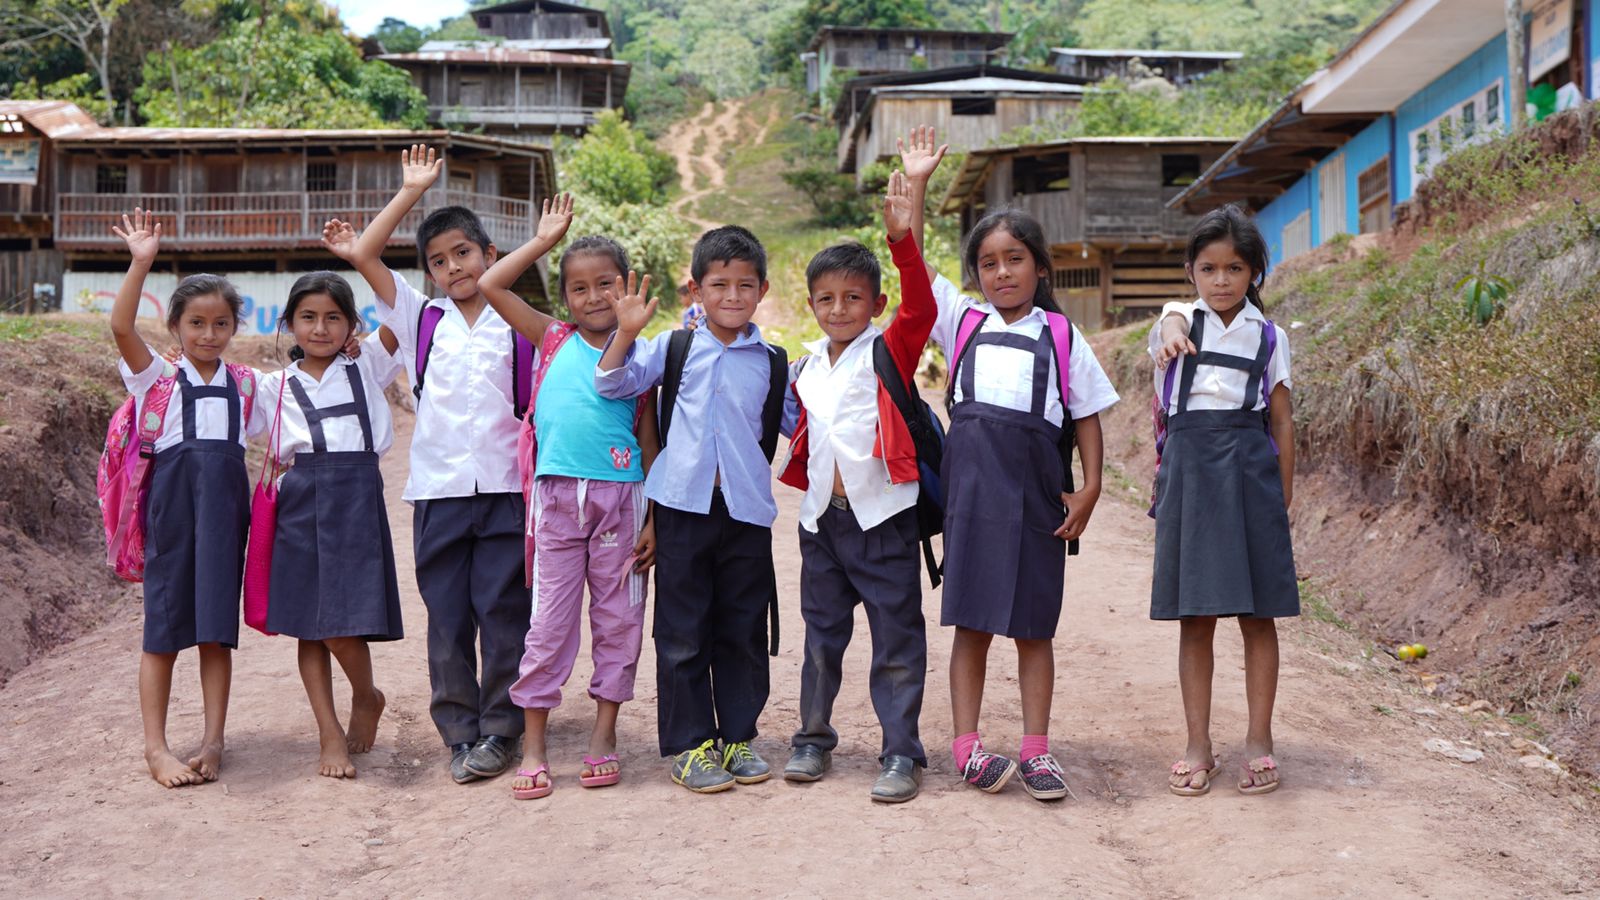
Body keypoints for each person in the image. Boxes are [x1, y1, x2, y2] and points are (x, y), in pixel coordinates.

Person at [320, 145, 563, 784]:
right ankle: (460, 732)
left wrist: (537, 245)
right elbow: (365, 254)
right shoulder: (419, 317)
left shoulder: (520, 323)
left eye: (464, 252)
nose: (453, 266)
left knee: (505, 611)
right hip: (439, 493)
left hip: (510, 490)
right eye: (438, 260)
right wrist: (410, 191)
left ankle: (502, 730)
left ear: (487, 254)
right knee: (449, 616)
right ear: (426, 274)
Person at [900, 126, 1120, 801]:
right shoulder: (960, 321)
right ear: (976, 275)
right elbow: (906, 254)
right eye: (989, 262)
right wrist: (917, 183)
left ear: (1040, 268)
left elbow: (1085, 413)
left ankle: (1036, 750)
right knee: (971, 621)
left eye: (1015, 259)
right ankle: (966, 747)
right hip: (970, 497)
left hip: (1033, 501)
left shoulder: (1059, 334)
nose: (1001, 272)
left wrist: (1088, 490)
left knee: (1032, 625)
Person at [475, 202, 664, 800]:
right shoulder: (550, 337)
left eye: (605, 284)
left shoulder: (642, 353)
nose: (593, 297)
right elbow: (490, 283)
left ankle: (603, 737)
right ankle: (534, 746)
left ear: (626, 285)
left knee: (620, 620)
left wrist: (654, 517)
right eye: (578, 288)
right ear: (564, 298)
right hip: (555, 500)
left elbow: (648, 439)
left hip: (622, 500)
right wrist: (541, 240)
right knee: (548, 625)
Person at [595, 225, 786, 794]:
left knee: (742, 628)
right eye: (718, 284)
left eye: (744, 285)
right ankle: (689, 744)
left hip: (746, 510)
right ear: (695, 291)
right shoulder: (671, 348)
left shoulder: (773, 362)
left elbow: (797, 428)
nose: (732, 296)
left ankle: (737, 738)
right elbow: (611, 383)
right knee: (682, 630)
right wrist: (626, 333)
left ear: (763, 290)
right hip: (682, 508)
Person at [776, 171, 937, 803]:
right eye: (826, 298)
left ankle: (901, 752)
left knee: (897, 640)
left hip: (883, 520)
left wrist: (903, 243)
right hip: (823, 523)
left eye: (852, 298)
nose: (839, 309)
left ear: (873, 303)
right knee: (821, 636)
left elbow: (920, 306)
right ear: (812, 303)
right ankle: (812, 739)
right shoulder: (808, 365)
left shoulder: (889, 350)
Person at [108, 208, 264, 787]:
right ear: (176, 327)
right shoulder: (157, 379)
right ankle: (156, 748)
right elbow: (123, 329)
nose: (208, 334)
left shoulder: (245, 384)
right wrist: (140, 262)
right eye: (196, 323)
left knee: (216, 633)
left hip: (226, 521)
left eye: (220, 324)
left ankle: (215, 741)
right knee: (163, 633)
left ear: (233, 328)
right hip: (172, 519)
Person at [1150, 204, 1298, 797]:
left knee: (1259, 616)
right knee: (1196, 615)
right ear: (1191, 271)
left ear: (1254, 274)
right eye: (1208, 268)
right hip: (1190, 471)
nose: (1221, 280)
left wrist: (1282, 492)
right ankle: (1197, 744)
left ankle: (1259, 741)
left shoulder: (1270, 335)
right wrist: (1168, 331)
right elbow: (1168, 327)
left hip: (1250, 472)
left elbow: (1282, 419)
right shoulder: (1179, 323)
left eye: (1234, 268)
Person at [252, 271, 405, 780]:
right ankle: (328, 731)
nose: (320, 328)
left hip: (356, 496)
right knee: (310, 630)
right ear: (289, 323)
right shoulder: (272, 387)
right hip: (300, 499)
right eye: (308, 317)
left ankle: (367, 695)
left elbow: (401, 311)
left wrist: (360, 255)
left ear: (351, 325)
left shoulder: (368, 367)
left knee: (342, 625)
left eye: (333, 317)